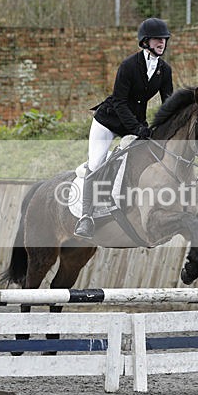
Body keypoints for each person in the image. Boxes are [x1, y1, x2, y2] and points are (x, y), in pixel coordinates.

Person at [74, 17, 174, 238]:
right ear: (145, 42)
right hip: (108, 121)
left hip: (135, 123)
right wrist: (136, 128)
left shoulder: (164, 70)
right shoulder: (128, 66)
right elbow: (119, 102)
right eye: (158, 39)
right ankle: (86, 217)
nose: (162, 43)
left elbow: (169, 103)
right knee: (97, 162)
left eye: (164, 39)